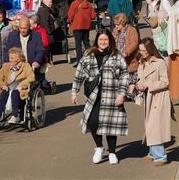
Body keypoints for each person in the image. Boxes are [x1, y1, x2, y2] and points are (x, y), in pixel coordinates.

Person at [71, 29, 129, 165]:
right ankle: (99, 147)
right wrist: (74, 92)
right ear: (97, 40)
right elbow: (79, 73)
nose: (103, 42)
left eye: (106, 39)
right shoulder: (88, 55)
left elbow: (124, 75)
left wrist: (122, 94)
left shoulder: (117, 56)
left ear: (110, 41)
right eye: (100, 39)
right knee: (92, 122)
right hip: (94, 95)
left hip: (112, 95)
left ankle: (113, 152)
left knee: (110, 124)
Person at [135, 37, 173, 165]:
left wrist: (147, 85)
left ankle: (160, 156)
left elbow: (165, 82)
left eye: (144, 50)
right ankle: (152, 152)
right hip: (148, 97)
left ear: (150, 49)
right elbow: (140, 78)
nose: (142, 52)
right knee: (150, 125)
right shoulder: (142, 62)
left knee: (155, 127)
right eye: (140, 50)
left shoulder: (160, 63)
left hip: (158, 98)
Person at [0, 47, 35, 124]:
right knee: (4, 91)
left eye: (12, 58)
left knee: (14, 92)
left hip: (21, 89)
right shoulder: (7, 66)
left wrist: (22, 85)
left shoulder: (26, 66)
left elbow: (31, 77)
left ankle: (15, 116)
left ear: (19, 59)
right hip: (8, 87)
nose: (10, 59)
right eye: (9, 57)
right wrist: (2, 85)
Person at [112, 13, 140, 98]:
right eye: (115, 25)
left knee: (131, 73)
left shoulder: (132, 30)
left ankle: (131, 92)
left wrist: (127, 52)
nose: (116, 26)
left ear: (123, 23)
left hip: (129, 57)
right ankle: (122, 92)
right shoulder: (115, 30)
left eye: (118, 24)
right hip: (118, 56)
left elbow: (134, 43)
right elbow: (112, 41)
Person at [68, 0, 97, 66]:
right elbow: (93, 16)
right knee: (86, 43)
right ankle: (90, 59)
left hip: (76, 26)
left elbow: (70, 16)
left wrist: (69, 21)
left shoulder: (74, 3)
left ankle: (79, 60)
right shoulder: (89, 4)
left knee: (78, 44)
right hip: (86, 26)